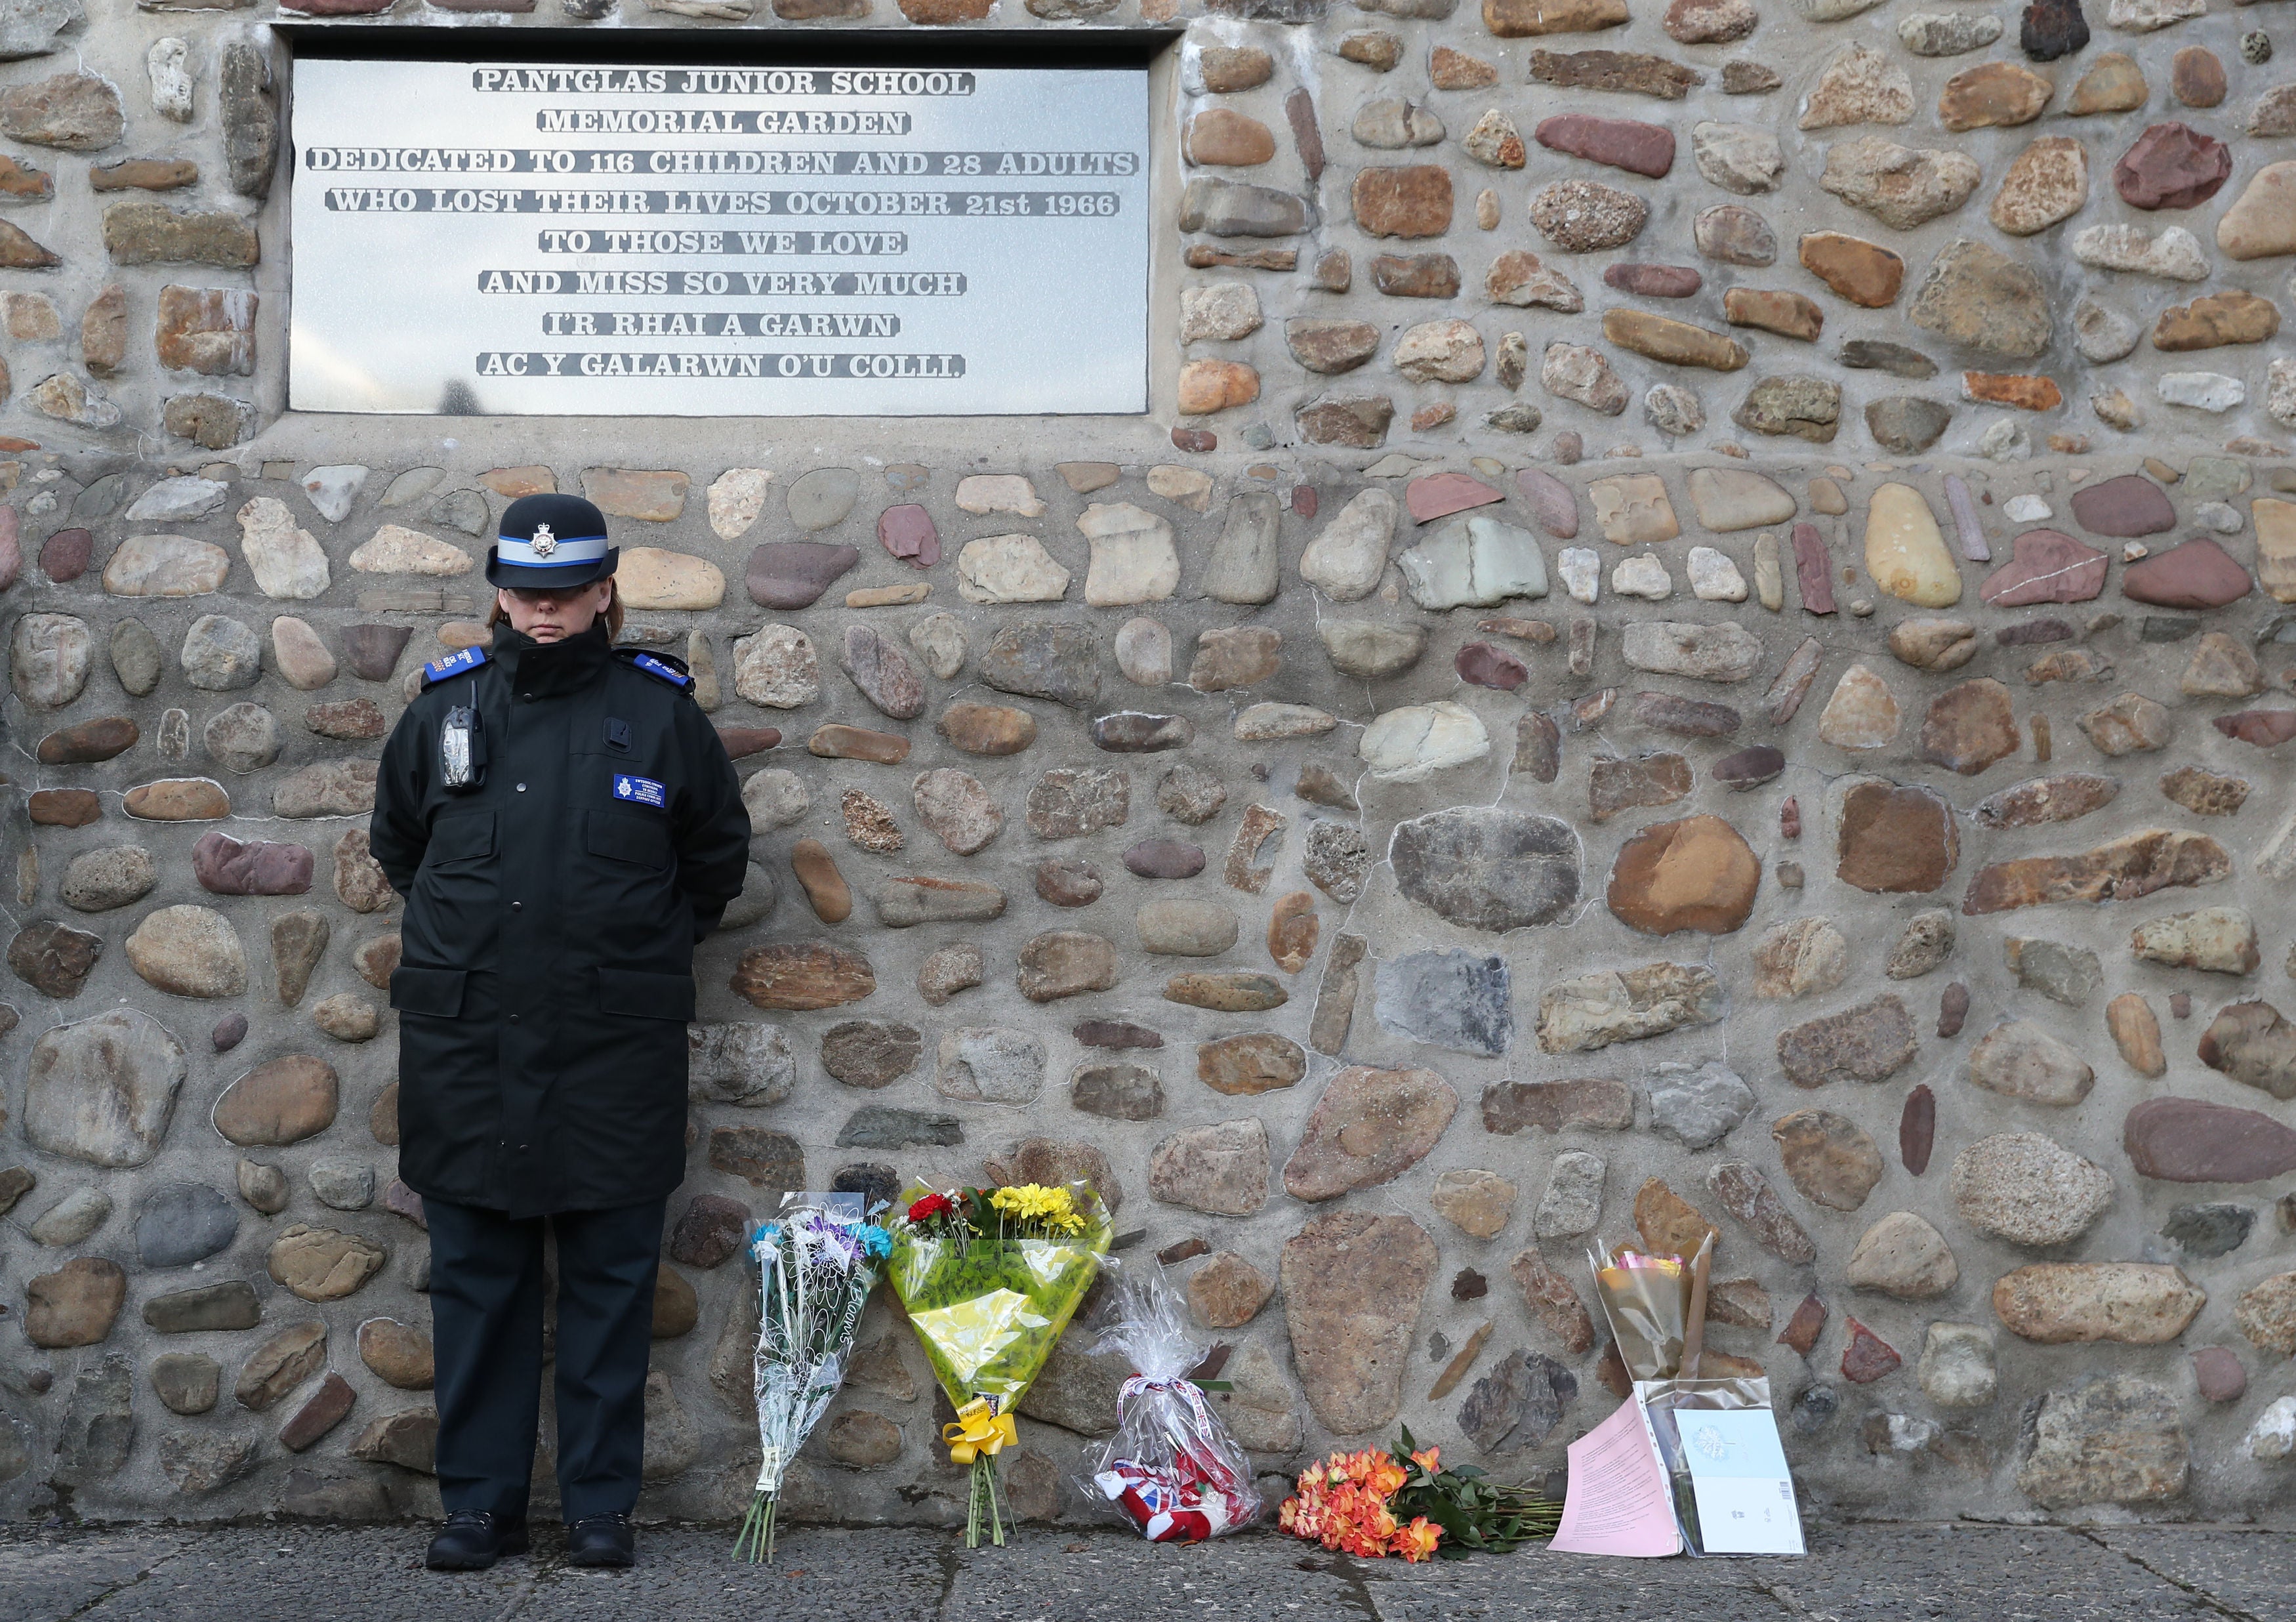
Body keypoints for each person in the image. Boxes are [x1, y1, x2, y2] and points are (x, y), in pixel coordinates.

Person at [369, 493, 750, 1571]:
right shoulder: (447, 711)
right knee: (479, 1284)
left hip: (609, 1051)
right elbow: (402, 844)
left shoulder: (661, 715)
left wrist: (630, 950)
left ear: (603, 593)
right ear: (500, 591)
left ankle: (598, 1505)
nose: (544, 614)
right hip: (470, 1050)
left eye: (566, 595)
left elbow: (713, 861)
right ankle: (479, 1506)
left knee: (610, 1280)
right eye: (527, 595)